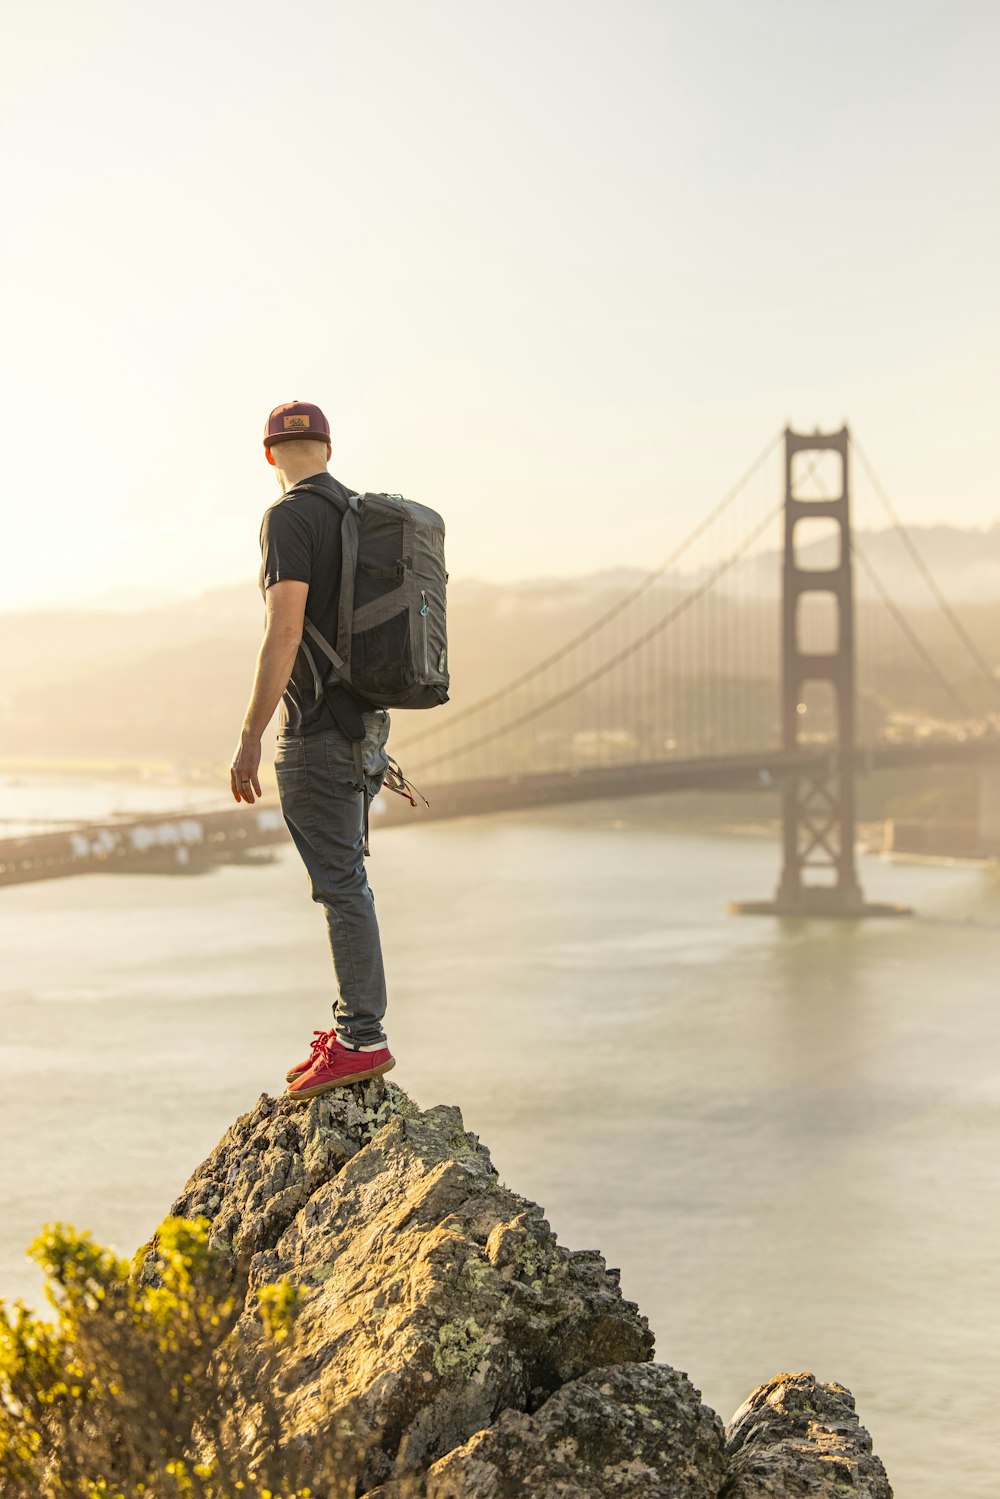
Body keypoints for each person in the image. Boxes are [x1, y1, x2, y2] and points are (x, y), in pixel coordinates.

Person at [230, 399, 395, 1099]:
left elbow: (284, 631)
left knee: (340, 888)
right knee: (348, 882)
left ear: (270, 455)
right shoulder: (362, 515)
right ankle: (355, 1027)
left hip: (317, 732)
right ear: (327, 447)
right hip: (364, 730)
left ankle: (362, 1036)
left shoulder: (288, 517)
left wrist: (248, 737)